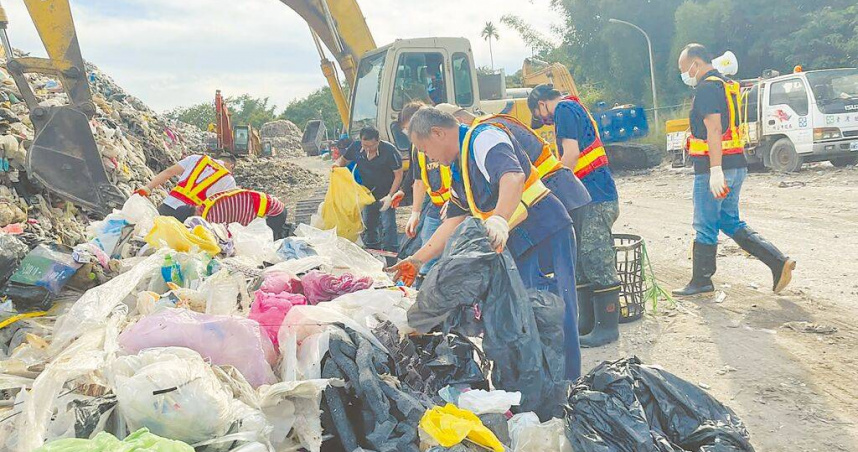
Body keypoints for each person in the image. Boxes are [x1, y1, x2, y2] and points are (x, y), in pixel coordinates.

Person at [391, 106, 582, 380]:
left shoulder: (484, 138)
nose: (427, 157)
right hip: (517, 243)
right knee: (526, 317)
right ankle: (539, 387)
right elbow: (453, 220)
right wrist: (418, 259)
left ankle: (565, 386)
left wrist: (500, 219)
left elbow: (512, 176)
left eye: (424, 148)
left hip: (544, 234)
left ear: (438, 133)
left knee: (551, 313)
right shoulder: (459, 167)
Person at [674, 43, 795, 296]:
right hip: (736, 164)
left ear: (696, 64)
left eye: (685, 69)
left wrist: (715, 169)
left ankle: (701, 281)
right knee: (729, 221)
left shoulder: (707, 88)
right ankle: (777, 261)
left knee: (705, 224)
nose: (685, 75)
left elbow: (714, 129)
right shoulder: (726, 85)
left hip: (715, 169)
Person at [528, 84, 621, 348]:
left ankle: (608, 327)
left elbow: (571, 154)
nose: (544, 120)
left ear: (542, 104)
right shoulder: (572, 109)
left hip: (595, 196)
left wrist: (554, 189)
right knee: (581, 259)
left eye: (541, 114)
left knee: (595, 257)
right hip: (587, 197)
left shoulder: (565, 109)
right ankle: (588, 323)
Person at [397, 102, 450, 280]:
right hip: (436, 206)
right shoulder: (417, 149)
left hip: (458, 205)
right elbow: (419, 180)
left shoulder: (444, 138)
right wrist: (415, 213)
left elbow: (461, 172)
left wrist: (457, 199)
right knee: (428, 244)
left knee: (455, 249)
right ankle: (425, 283)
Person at [335, 126, 404, 258]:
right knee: (369, 224)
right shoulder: (355, 147)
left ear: (378, 141)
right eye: (364, 145)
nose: (367, 149)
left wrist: (390, 196)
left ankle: (391, 255)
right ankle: (373, 252)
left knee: (388, 225)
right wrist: (336, 167)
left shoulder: (390, 151)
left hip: (386, 192)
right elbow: (343, 161)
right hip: (367, 193)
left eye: (371, 146)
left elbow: (398, 175)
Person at [136, 153, 237, 223]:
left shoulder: (195, 158)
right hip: (189, 217)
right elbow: (223, 208)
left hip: (168, 206)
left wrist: (148, 188)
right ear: (231, 166)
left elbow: (168, 173)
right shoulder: (229, 180)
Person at [198, 188, 289, 240]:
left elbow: (225, 236)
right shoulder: (206, 205)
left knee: (266, 245)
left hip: (275, 214)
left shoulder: (212, 216)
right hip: (272, 207)